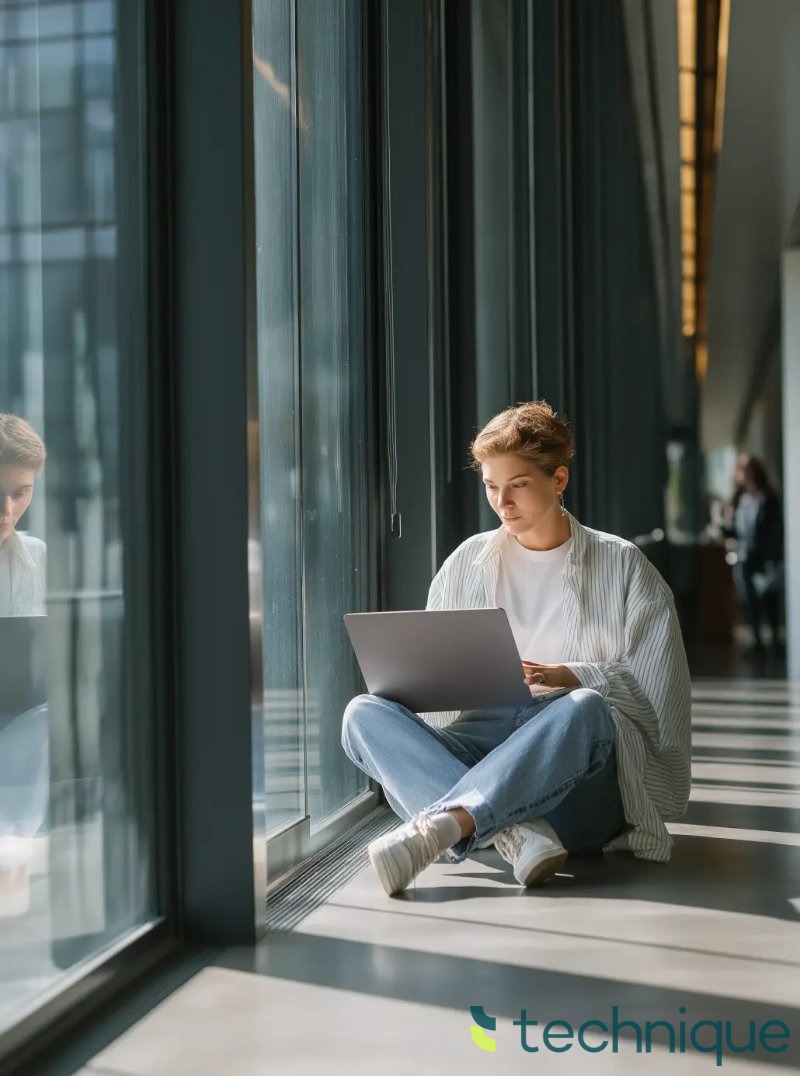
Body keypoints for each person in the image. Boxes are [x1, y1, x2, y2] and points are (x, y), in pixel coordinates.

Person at [341, 400, 692, 896]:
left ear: (559, 480)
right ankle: (508, 830)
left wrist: (575, 676)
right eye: (490, 486)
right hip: (485, 746)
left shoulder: (625, 567)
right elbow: (436, 710)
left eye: (518, 485)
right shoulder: (466, 562)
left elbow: (662, 715)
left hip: (576, 777)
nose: (502, 503)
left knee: (584, 708)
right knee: (362, 714)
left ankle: (446, 827)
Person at [0, 414, 48, 914]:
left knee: (49, 723)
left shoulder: (38, 558)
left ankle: (9, 848)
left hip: (25, 720)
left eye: (21, 492)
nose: (7, 509)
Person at [724, 454, 783, 651]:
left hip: (764, 555)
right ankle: (756, 640)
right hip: (744, 555)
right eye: (743, 469)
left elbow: (775, 529)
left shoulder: (768, 497)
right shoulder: (739, 497)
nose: (745, 473)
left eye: (748, 468)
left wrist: (773, 555)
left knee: (769, 598)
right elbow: (735, 528)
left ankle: (774, 639)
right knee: (749, 600)